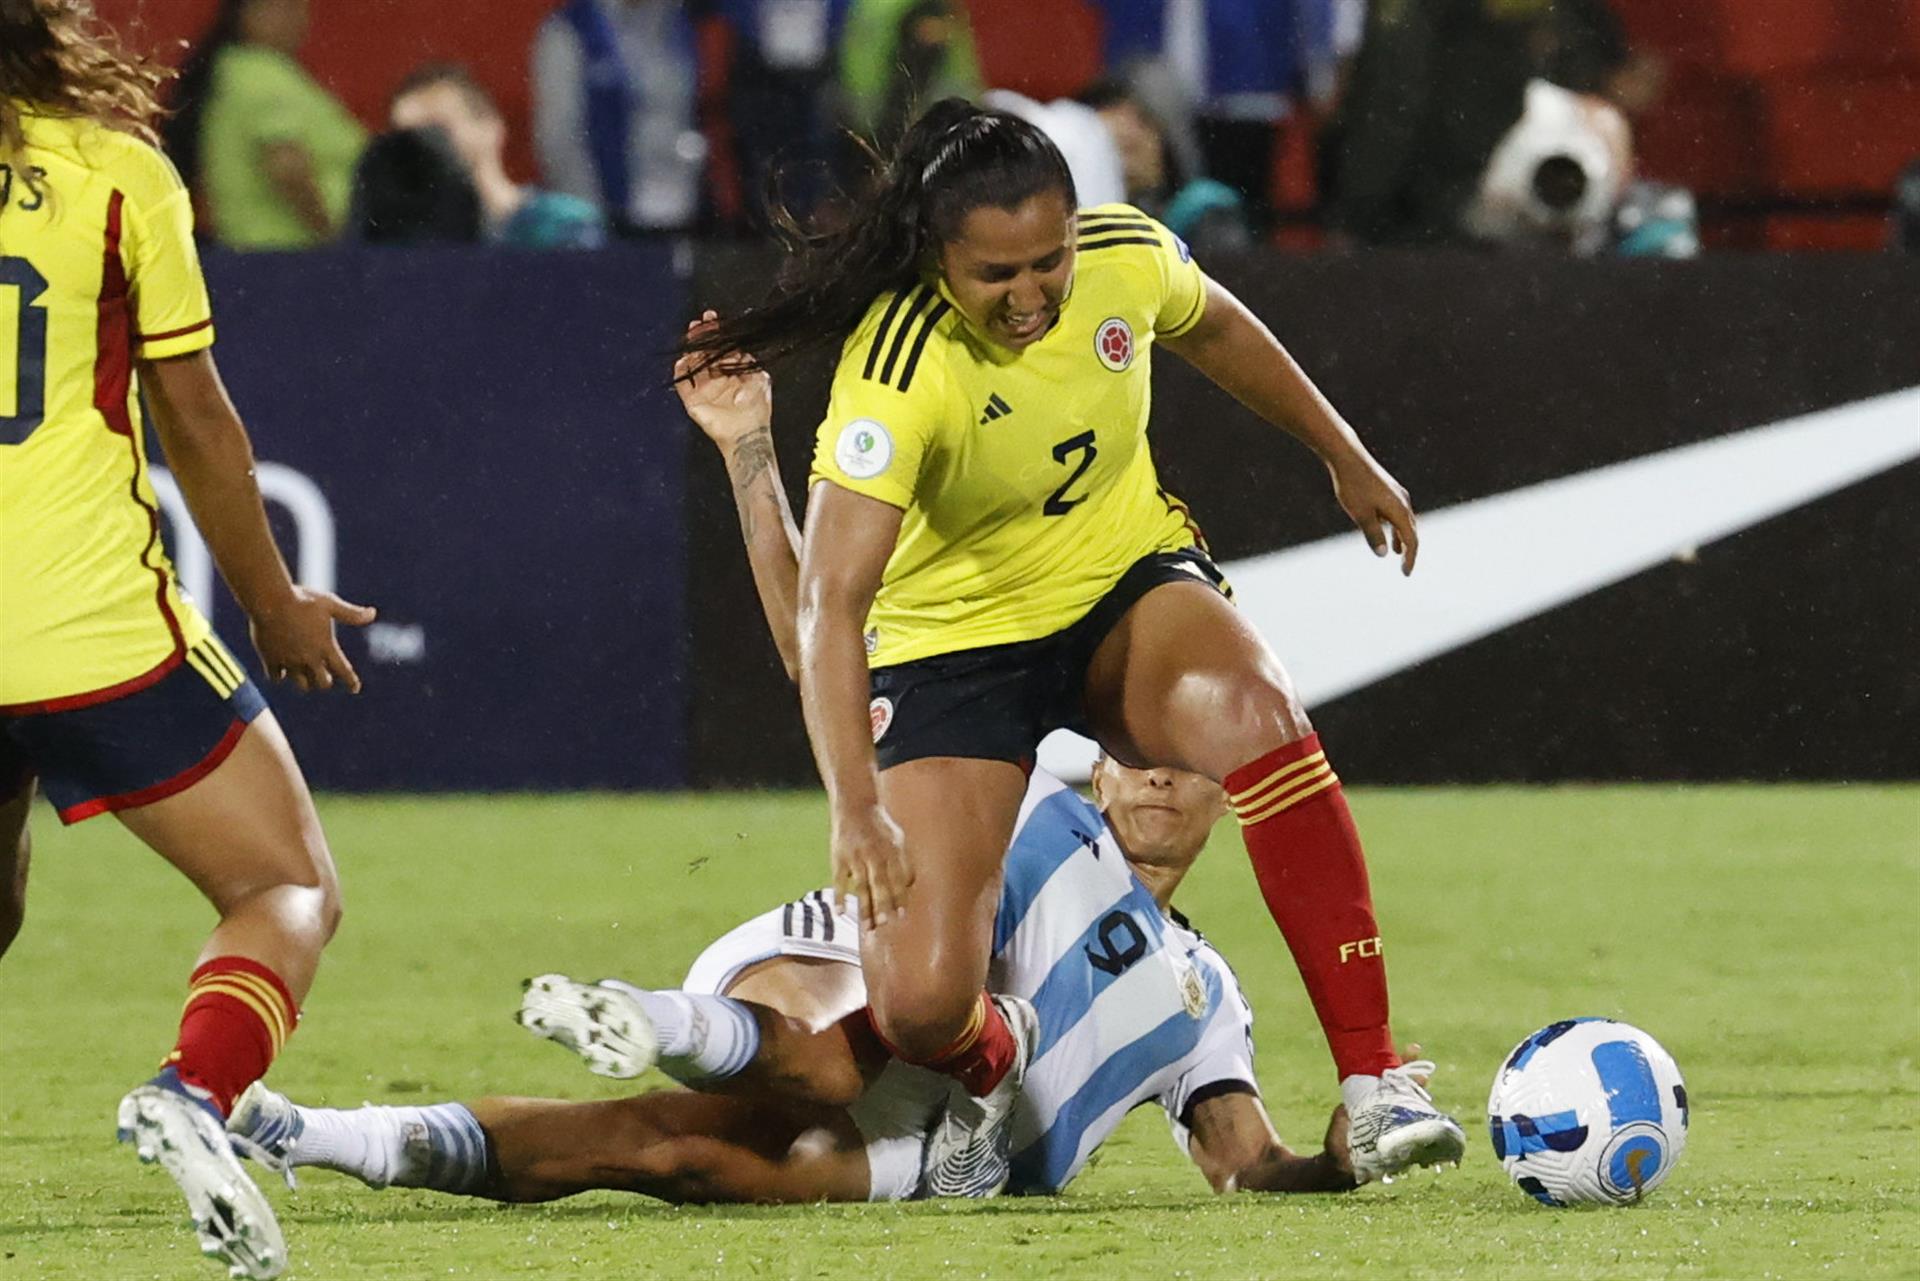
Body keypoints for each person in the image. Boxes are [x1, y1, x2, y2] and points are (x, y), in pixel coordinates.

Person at [224, 398, 1363, 1201]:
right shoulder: (1009, 804)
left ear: (1229, 788)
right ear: (1097, 757)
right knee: (843, 1045)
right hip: (851, 991)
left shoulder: (1207, 996)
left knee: (672, 1156)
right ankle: (658, 1019)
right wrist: (750, 452)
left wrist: (1338, 1162)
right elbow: (821, 650)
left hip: (943, 1162)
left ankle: (308, 1133)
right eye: (1135, 750)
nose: (1161, 770)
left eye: (1185, 760)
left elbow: (1243, 1161)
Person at [677, 101, 1462, 1191]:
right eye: (995, 274)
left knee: (1259, 715)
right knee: (917, 1004)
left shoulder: (1124, 258)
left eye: (1047, 260)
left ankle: (1377, 1084)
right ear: (936, 256)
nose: (1032, 295)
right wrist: (855, 804)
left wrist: (1344, 454)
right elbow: (831, 609)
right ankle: (992, 1054)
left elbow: (1218, 325)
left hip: (1117, 588)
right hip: (954, 653)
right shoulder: (895, 371)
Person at [0, 5, 375, 1277]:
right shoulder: (115, 178)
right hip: (87, 631)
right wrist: (272, 600)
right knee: (285, 886)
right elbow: (196, 421)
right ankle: (193, 1094)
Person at [164, 0, 366, 250]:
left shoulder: (236, 72)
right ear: (244, 14)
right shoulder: (259, 75)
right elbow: (287, 166)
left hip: (263, 253)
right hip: (290, 254)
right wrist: (333, 237)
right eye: (280, 7)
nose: (296, 19)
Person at [387, 63, 606, 251]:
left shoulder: (561, 225)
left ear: (490, 127)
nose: (423, 145)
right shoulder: (400, 242)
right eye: (406, 138)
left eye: (438, 127)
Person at [530, 0, 704, 233]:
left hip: (681, 209)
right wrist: (587, 218)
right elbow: (559, 136)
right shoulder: (571, 30)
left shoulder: (677, 22)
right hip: (610, 213)